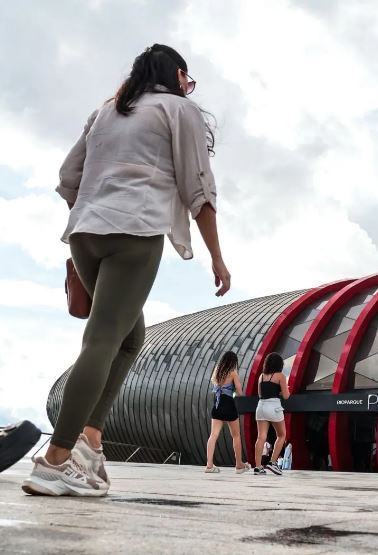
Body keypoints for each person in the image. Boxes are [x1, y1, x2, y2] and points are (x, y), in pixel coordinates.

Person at [22, 44, 229, 497]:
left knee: (130, 338)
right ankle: (55, 460)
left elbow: (66, 177)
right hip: (134, 233)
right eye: (187, 80)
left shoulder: (108, 110)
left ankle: (90, 441)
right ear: (177, 75)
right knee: (102, 340)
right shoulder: (179, 110)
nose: (187, 88)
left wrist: (97, 206)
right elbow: (199, 189)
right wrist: (216, 256)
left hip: (84, 234)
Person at [204, 351, 248, 473]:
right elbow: (239, 391)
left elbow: (215, 385)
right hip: (229, 404)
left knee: (213, 435)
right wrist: (240, 393)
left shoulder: (217, 370)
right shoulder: (233, 372)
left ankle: (209, 465)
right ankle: (239, 464)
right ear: (233, 362)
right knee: (236, 436)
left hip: (217, 404)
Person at [253, 352, 290, 476]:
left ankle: (258, 467)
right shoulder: (280, 376)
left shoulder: (261, 376)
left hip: (261, 406)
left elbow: (259, 394)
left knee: (261, 437)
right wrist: (285, 388)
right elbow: (286, 395)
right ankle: (272, 463)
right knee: (281, 435)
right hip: (274, 406)